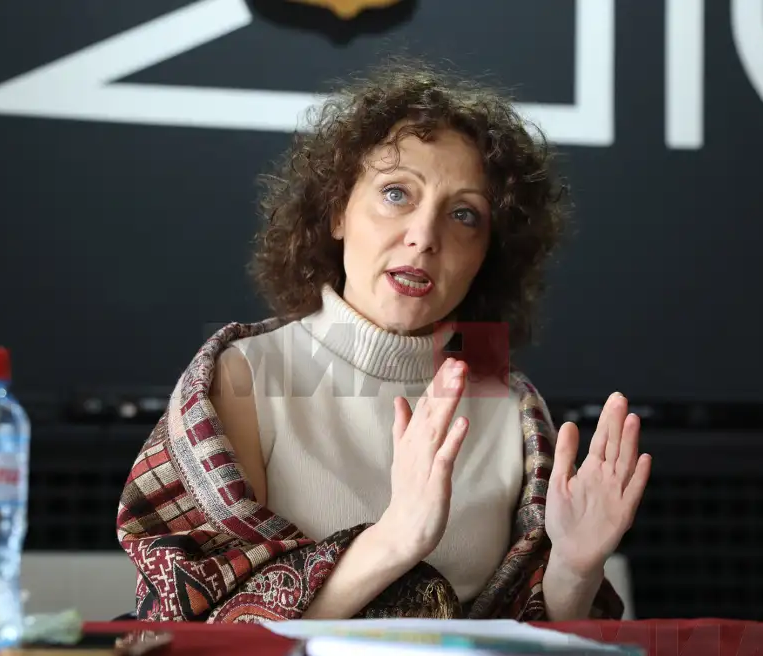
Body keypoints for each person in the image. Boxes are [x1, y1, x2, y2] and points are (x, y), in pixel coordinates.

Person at [116, 59, 652, 623]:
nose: (424, 237)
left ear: (487, 254)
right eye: (397, 194)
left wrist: (573, 568)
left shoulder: (512, 404)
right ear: (337, 212)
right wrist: (395, 538)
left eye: (464, 214)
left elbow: (535, 641)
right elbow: (209, 630)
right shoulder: (240, 374)